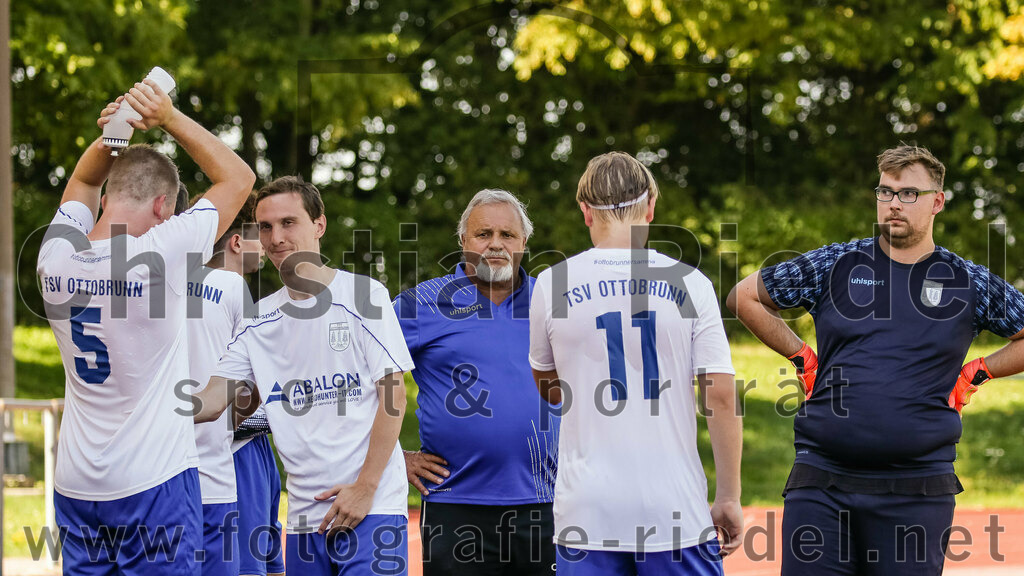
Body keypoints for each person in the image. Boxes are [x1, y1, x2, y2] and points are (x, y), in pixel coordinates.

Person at [727, 144, 1024, 575]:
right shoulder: (837, 262)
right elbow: (745, 296)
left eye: (908, 194)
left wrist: (980, 370)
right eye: (885, 192)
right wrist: (801, 356)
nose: (893, 204)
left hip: (918, 489)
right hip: (822, 480)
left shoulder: (968, 280)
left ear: (937, 201)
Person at [37, 81, 255, 574]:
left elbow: (81, 183)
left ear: (107, 198)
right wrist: (166, 116)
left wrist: (115, 132)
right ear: (163, 207)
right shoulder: (161, 254)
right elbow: (237, 178)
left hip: (75, 482)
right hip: (151, 479)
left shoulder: (54, 259)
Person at [529, 151, 743, 575]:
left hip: (587, 515)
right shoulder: (689, 283)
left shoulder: (553, 283)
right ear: (650, 207)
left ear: (585, 211)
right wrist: (729, 496)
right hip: (674, 511)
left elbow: (548, 384)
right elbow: (719, 395)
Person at [193, 176, 413, 575]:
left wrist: (365, 487)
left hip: (370, 509)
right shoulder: (258, 318)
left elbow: (394, 396)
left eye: (288, 223)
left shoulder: (364, 296)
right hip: (303, 519)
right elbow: (210, 402)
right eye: (265, 227)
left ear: (319, 226)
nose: (276, 237)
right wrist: (141, 404)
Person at [394, 189, 558, 575]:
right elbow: (361, 377)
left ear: (524, 243)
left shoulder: (553, 303)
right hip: (455, 505)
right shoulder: (421, 304)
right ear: (463, 241)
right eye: (483, 234)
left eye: (508, 235)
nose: (496, 244)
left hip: (548, 502)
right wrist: (393, 458)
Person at [187, 193, 264, 575]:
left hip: (162, 459)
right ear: (235, 241)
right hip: (228, 453)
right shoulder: (233, 289)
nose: (267, 245)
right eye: (260, 233)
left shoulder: (155, 276)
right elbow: (249, 393)